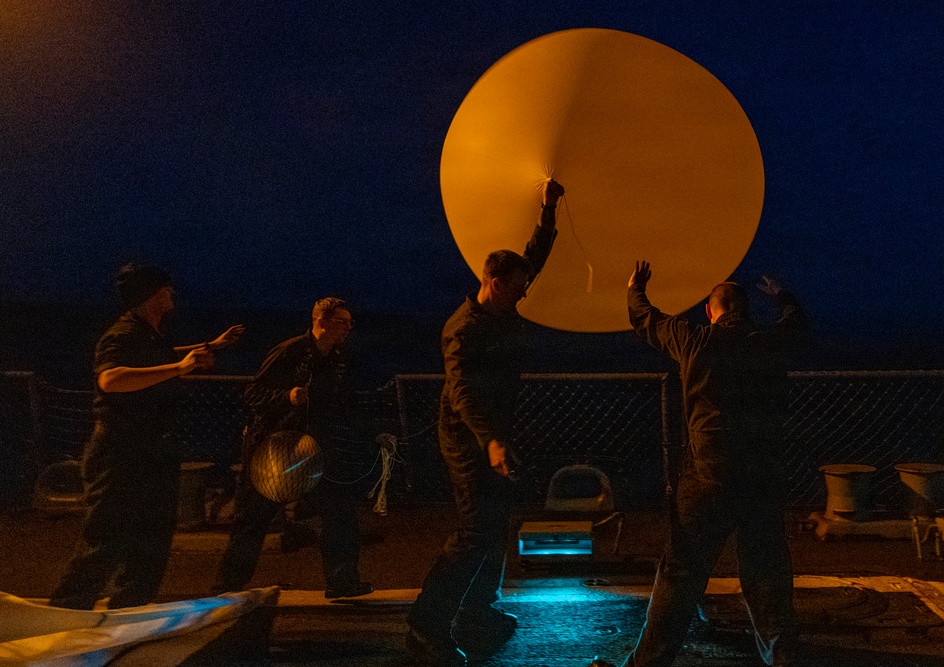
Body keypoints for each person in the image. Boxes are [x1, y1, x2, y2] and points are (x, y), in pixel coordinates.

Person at [591, 261, 807, 667]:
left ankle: (648, 663)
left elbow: (645, 319)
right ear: (745, 309)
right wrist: (782, 295)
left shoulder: (695, 341)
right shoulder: (768, 343)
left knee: (680, 572)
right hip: (762, 475)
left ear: (710, 310)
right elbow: (796, 323)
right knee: (766, 575)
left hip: (708, 473)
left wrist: (635, 287)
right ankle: (784, 659)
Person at [406, 179, 564, 667]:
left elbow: (534, 257)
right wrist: (490, 440)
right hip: (466, 436)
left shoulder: (502, 303)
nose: (525, 292)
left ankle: (477, 611)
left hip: (496, 434)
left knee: (496, 526)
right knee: (475, 529)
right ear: (495, 283)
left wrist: (548, 209)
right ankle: (425, 626)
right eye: (518, 287)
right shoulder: (463, 330)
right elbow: (461, 393)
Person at [49, 263, 243, 609]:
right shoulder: (121, 335)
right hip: (121, 451)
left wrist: (210, 346)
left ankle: (131, 607)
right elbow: (111, 379)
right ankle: (66, 609)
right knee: (107, 535)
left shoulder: (148, 335)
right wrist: (180, 368)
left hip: (154, 449)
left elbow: (161, 357)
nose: (173, 294)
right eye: (167, 289)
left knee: (152, 536)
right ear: (150, 295)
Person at [213, 297, 377, 599]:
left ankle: (342, 582)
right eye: (343, 322)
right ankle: (227, 588)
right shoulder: (291, 351)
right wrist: (286, 397)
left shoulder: (340, 357)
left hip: (316, 447)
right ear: (321, 321)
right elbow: (253, 392)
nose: (349, 328)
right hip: (276, 448)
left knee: (339, 510)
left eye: (350, 322)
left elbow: (345, 400)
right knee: (253, 517)